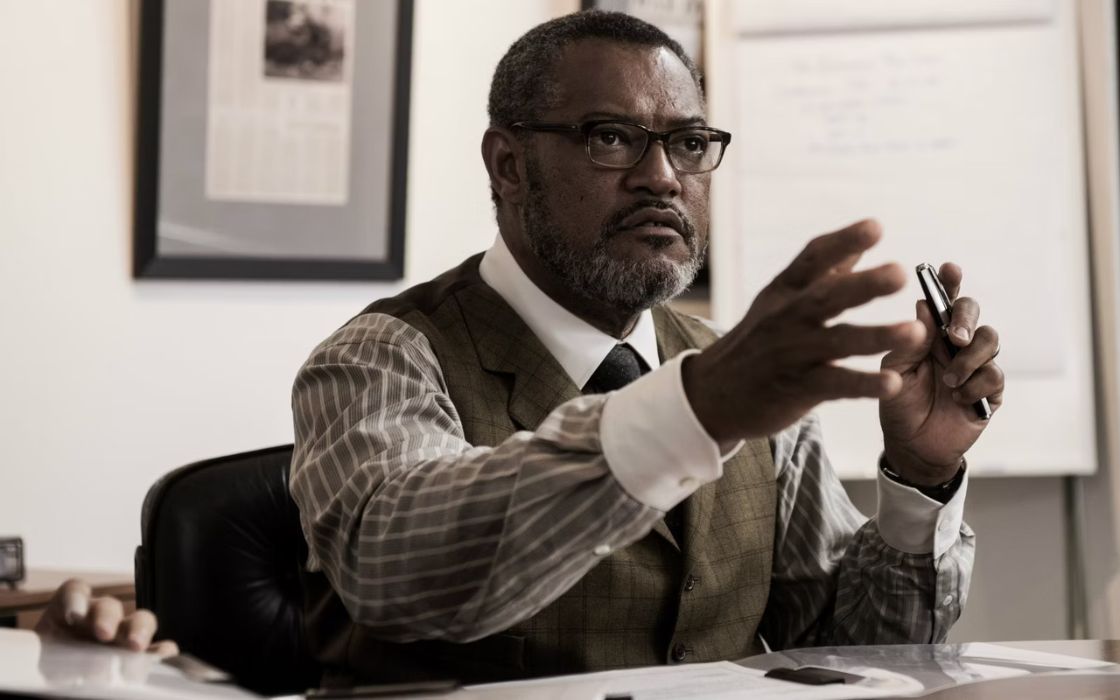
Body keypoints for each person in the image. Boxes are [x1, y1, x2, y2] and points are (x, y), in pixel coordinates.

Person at [40, 10, 1004, 684]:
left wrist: (916, 476)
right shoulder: (380, 358)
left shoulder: (736, 372)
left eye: (689, 142)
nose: (662, 178)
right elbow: (401, 571)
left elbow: (857, 657)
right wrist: (695, 408)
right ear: (507, 165)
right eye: (609, 138)